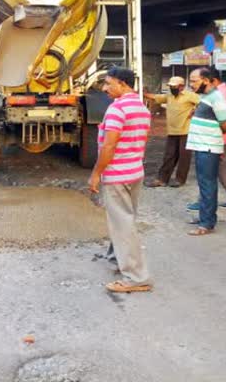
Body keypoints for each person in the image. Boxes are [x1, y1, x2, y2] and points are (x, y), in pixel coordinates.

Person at [88, 67, 152, 293]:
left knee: (122, 224)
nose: (105, 88)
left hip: (117, 175)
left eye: (109, 83)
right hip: (135, 171)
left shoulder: (116, 110)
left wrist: (96, 173)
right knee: (126, 219)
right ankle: (117, 257)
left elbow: (109, 145)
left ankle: (136, 277)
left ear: (123, 84)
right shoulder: (141, 107)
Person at [186, 73, 226, 212]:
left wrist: (219, 141)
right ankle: (212, 206)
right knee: (210, 176)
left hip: (211, 142)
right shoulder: (211, 94)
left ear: (209, 80)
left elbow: (224, 122)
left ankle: (208, 213)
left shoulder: (219, 94)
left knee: (210, 178)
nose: (192, 84)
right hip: (210, 141)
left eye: (195, 81)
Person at [185, 67, 226, 236]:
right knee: (204, 183)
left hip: (208, 147)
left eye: (194, 80)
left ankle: (206, 223)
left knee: (207, 184)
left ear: (205, 80)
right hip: (202, 146)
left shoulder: (217, 97)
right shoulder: (206, 96)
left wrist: (212, 137)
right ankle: (206, 217)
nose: (191, 84)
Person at [143, 76, 200, 188]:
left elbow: (203, 103)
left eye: (174, 86)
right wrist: (143, 93)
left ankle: (180, 179)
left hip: (186, 131)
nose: (172, 88)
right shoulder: (169, 96)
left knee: (184, 157)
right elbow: (155, 97)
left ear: (181, 87)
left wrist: (195, 110)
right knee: (169, 156)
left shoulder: (190, 96)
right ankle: (162, 179)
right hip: (172, 131)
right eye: (170, 86)